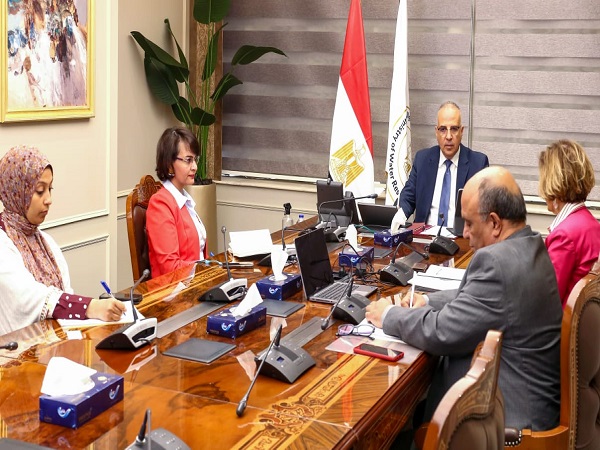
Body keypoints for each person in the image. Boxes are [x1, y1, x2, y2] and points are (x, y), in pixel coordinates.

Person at [367, 166, 562, 431]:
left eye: (469, 223)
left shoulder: (496, 262)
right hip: (527, 403)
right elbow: (478, 298)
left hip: (510, 425)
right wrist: (428, 301)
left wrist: (388, 315)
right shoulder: (529, 245)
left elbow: (441, 332)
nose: (466, 233)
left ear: (495, 223)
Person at [0, 146, 126, 336]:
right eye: (39, 191)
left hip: (55, 343)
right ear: (16, 192)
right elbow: (29, 299)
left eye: (50, 189)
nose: (48, 199)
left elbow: (65, 295)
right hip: (18, 351)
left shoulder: (46, 242)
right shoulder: (3, 244)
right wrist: (90, 307)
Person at [391, 101, 489, 232]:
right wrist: (401, 214)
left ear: (461, 131)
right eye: (443, 129)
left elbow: (485, 209)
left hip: (460, 239)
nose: (448, 136)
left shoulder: (478, 163)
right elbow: (409, 196)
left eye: (454, 129)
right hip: (424, 238)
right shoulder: (422, 159)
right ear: (436, 132)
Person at [538, 139, 600, 307]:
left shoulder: (564, 235)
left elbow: (546, 301)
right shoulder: (592, 224)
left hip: (563, 322)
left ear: (553, 181)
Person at [146, 127, 208, 278]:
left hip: (197, 282)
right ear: (169, 164)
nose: (195, 167)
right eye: (188, 160)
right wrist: (208, 269)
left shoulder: (184, 199)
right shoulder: (160, 204)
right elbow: (170, 268)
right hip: (176, 289)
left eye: (195, 159)